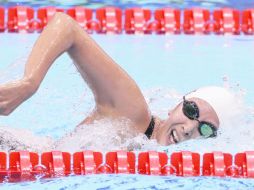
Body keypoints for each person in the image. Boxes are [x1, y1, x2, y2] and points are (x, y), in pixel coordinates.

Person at [0, 12, 237, 147]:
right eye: (192, 111)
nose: (188, 128)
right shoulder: (133, 112)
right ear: (177, 104)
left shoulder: (153, 155)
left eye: (205, 129)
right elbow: (67, 27)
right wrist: (29, 82)